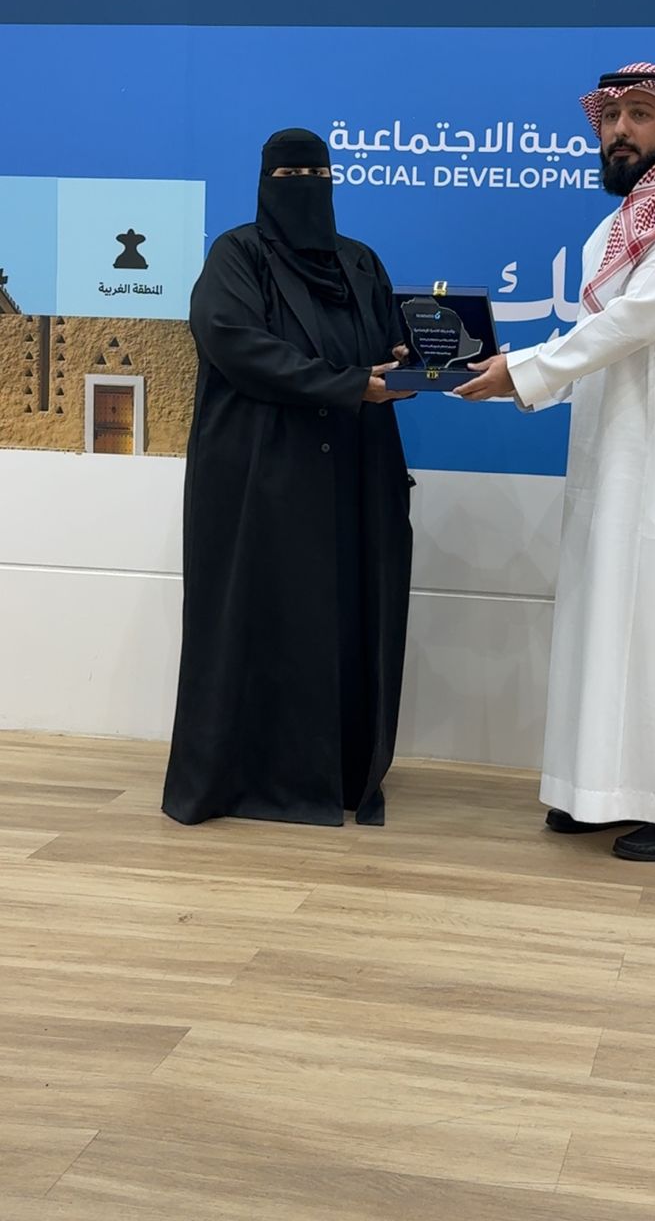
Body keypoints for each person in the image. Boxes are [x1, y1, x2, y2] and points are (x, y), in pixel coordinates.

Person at [457, 65, 655, 862]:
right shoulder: (614, 229)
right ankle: (598, 793)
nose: (619, 131)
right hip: (611, 455)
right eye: (610, 117)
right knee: (603, 621)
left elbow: (634, 323)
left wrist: (525, 370)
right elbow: (596, 347)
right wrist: (511, 378)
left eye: (639, 115)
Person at [162, 128, 414, 829]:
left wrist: (409, 358)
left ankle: (343, 773)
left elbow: (381, 344)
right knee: (263, 619)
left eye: (316, 173)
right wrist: (346, 384)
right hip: (263, 478)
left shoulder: (359, 262)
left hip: (353, 474)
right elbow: (236, 345)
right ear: (264, 181)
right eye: (289, 174)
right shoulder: (237, 255)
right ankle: (250, 778)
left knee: (347, 617)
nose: (304, 186)